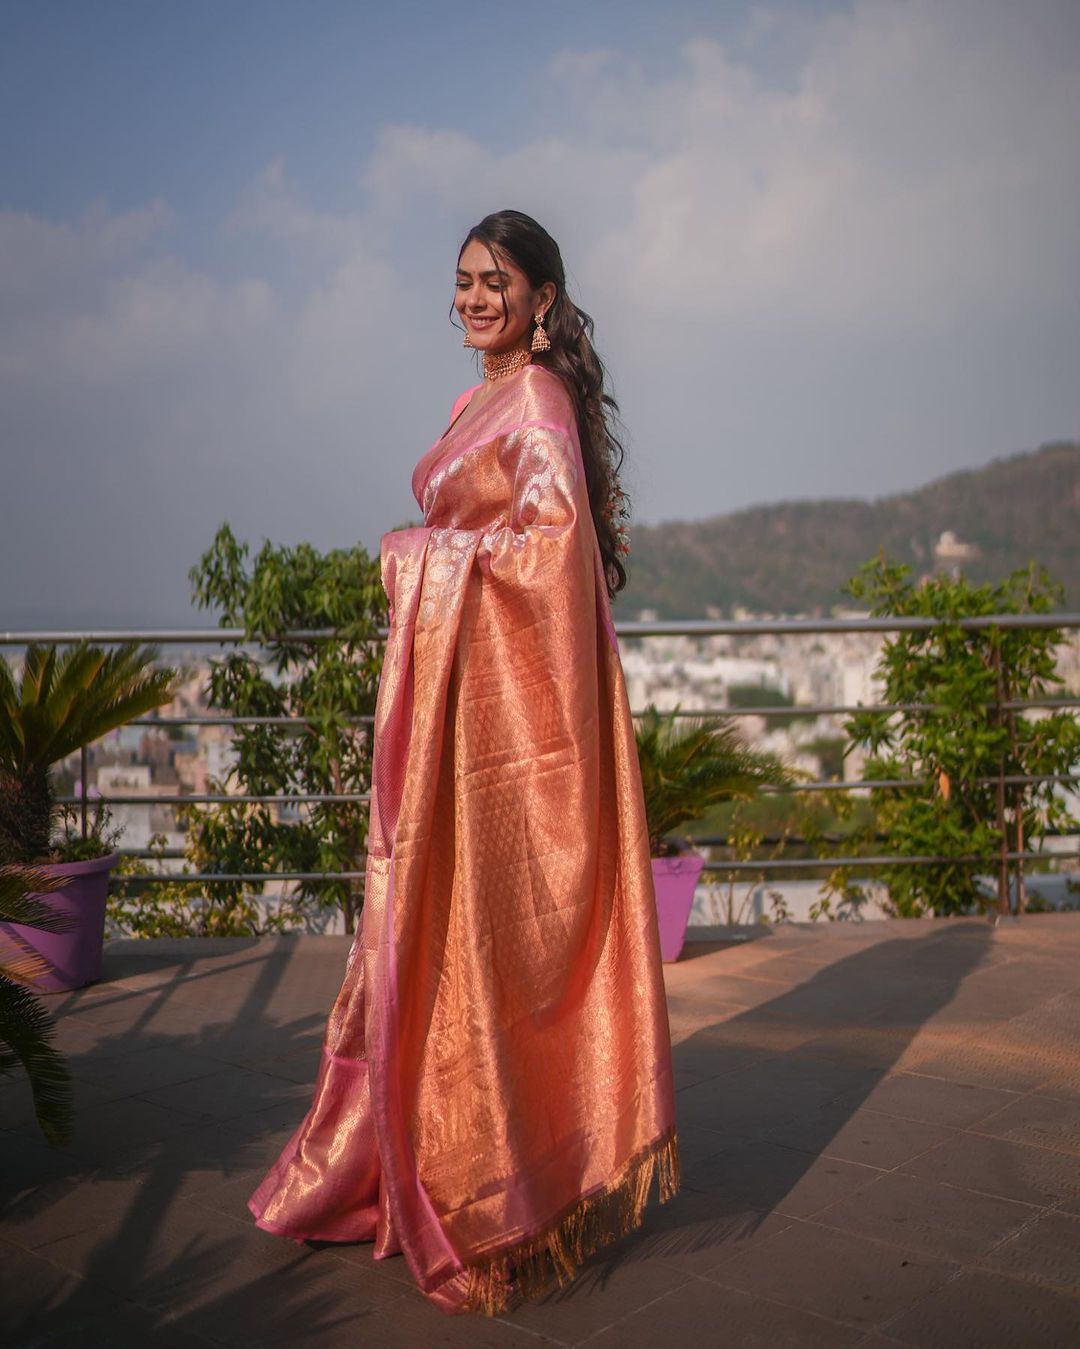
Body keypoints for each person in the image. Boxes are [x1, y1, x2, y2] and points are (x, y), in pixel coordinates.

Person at [248, 209, 678, 1316]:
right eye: (464, 282)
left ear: (541, 298)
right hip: (451, 710)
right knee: (434, 933)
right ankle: (424, 1148)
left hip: (500, 719)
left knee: (487, 943)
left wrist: (421, 554)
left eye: (498, 281)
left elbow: (550, 549)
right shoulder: (471, 401)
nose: (477, 298)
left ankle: (497, 1184)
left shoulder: (535, 402)